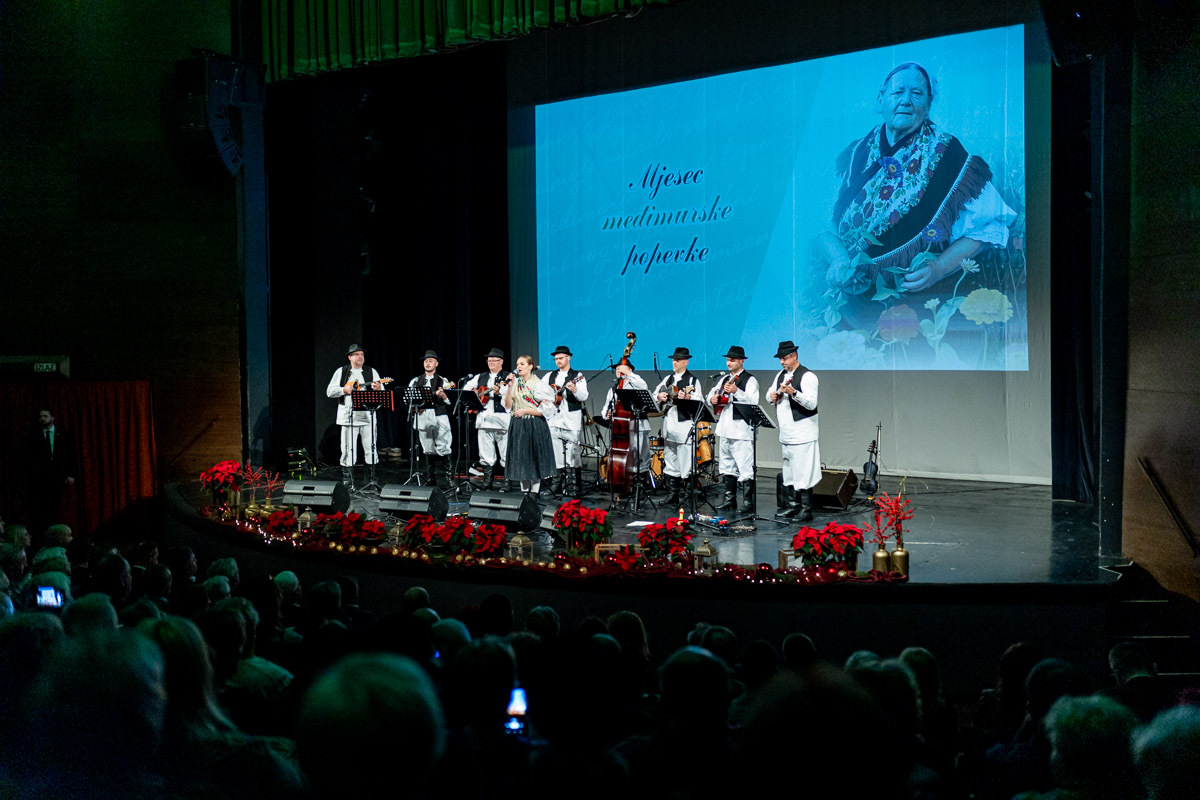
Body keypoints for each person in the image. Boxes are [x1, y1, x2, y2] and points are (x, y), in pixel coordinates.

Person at [813, 62, 1016, 328]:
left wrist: (938, 268)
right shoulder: (854, 155)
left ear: (928, 104)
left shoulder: (946, 154)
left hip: (916, 306)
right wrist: (839, 259)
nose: (906, 101)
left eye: (917, 94)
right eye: (898, 93)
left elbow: (990, 225)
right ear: (881, 100)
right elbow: (821, 225)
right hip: (847, 302)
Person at [766, 340, 820, 520]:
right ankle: (793, 505)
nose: (782, 362)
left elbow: (812, 403)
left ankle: (806, 509)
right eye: (780, 359)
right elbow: (769, 394)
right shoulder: (780, 375)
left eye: (785, 358)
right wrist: (771, 396)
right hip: (787, 432)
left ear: (794, 356)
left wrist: (794, 393)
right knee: (789, 470)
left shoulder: (808, 376)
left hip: (803, 432)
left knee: (803, 471)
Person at [707, 346, 760, 512]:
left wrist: (737, 391)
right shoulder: (724, 380)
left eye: (733, 360)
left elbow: (753, 401)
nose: (729, 363)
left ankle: (748, 503)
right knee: (726, 465)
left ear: (741, 361)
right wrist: (713, 399)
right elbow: (710, 396)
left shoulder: (750, 380)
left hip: (741, 430)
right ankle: (730, 500)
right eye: (728, 360)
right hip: (725, 428)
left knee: (745, 467)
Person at [324, 344, 383, 488]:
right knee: (347, 448)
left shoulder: (371, 372)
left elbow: (382, 392)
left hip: (367, 416)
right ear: (350, 357)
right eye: (357, 354)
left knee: (371, 447)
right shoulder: (342, 371)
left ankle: (372, 478)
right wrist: (344, 389)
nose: (360, 357)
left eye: (362, 354)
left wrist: (379, 388)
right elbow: (330, 391)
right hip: (348, 416)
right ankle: (348, 480)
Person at [652, 347, 704, 508]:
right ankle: (672, 494)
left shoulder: (692, 381)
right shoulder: (668, 379)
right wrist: (659, 396)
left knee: (685, 461)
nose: (675, 362)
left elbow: (699, 401)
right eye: (674, 360)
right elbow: (655, 395)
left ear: (686, 362)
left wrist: (688, 397)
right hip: (669, 424)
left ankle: (687, 494)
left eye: (678, 360)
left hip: (684, 424)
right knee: (670, 459)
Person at [502, 355, 558, 496]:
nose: (518, 367)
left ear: (530, 366)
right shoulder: (515, 383)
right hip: (518, 424)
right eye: (517, 364)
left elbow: (548, 411)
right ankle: (524, 493)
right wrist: (509, 388)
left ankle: (534, 493)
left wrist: (526, 410)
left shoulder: (538, 385)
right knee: (521, 459)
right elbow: (508, 406)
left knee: (533, 459)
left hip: (534, 424)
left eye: (522, 364)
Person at [542, 345, 589, 498]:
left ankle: (573, 485)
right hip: (554, 419)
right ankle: (556, 484)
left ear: (568, 358)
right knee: (556, 453)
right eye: (556, 359)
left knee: (572, 452)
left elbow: (584, 396)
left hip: (571, 419)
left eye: (560, 358)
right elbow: (539, 391)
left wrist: (574, 389)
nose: (558, 361)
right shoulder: (549, 376)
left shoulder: (577, 375)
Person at [463, 348, 512, 491]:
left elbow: (512, 393)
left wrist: (500, 392)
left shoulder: (508, 376)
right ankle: (487, 480)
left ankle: (507, 482)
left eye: (494, 360)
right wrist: (475, 392)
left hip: (502, 420)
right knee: (485, 452)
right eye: (489, 360)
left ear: (501, 361)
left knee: (505, 451)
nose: (491, 363)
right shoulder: (480, 377)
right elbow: (466, 389)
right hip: (484, 420)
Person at [406, 349, 454, 489]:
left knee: (444, 446)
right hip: (423, 417)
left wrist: (444, 395)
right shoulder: (415, 381)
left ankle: (449, 479)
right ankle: (431, 479)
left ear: (436, 363)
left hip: (439, 416)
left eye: (431, 360)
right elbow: (409, 399)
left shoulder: (443, 381)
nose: (427, 363)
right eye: (426, 361)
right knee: (428, 448)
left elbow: (450, 402)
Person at [26, 409, 76, 539]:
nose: (42, 418)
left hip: (58, 477)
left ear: (52, 418)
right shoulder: (34, 436)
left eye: (45, 416)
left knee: (57, 507)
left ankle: (57, 534)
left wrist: (71, 474)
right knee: (41, 508)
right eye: (40, 416)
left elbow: (70, 456)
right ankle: (44, 536)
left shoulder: (63, 434)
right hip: (40, 479)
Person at [602, 360, 652, 486]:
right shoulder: (613, 389)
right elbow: (605, 408)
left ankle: (640, 484)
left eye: (621, 368)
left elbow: (644, 386)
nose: (618, 371)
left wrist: (629, 374)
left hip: (638, 425)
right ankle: (624, 482)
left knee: (640, 456)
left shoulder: (636, 382)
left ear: (629, 369)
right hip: (621, 428)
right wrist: (606, 414)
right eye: (617, 369)